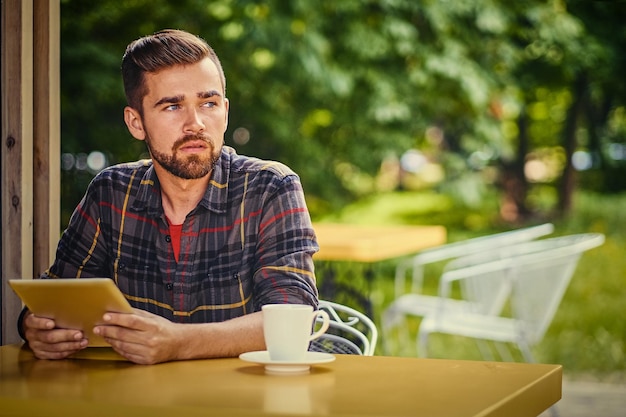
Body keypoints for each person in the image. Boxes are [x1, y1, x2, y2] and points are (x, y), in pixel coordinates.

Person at [18, 29, 319, 365]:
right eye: (173, 106)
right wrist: (36, 328)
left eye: (209, 103)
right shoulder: (110, 193)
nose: (196, 123)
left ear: (226, 111)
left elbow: (295, 320)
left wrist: (179, 343)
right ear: (136, 122)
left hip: (246, 401)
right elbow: (53, 301)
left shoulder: (271, 188)